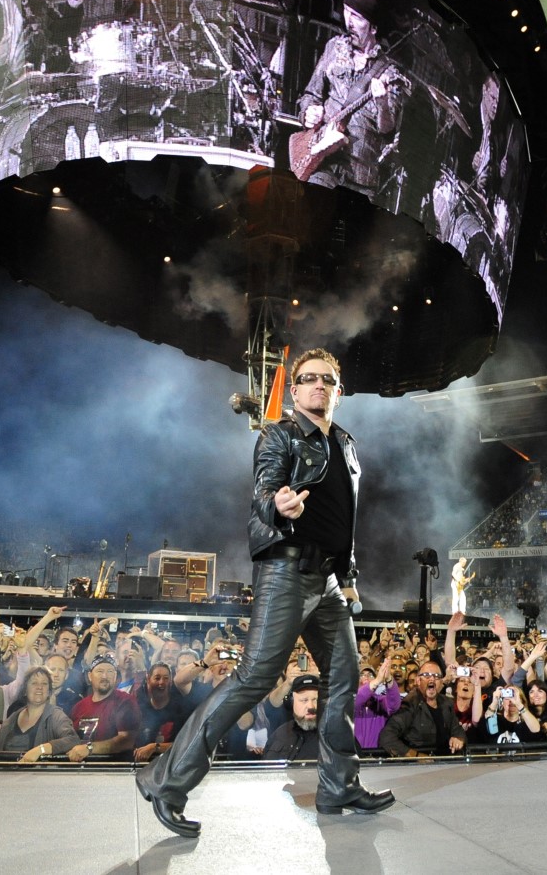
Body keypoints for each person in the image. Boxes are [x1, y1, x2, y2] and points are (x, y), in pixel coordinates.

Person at [137, 348, 392, 838]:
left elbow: (347, 518)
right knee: (255, 678)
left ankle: (339, 784)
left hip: (330, 579)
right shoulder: (280, 435)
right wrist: (278, 505)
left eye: (328, 380)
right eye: (309, 379)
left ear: (338, 391)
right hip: (287, 570)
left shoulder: (347, 443)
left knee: (344, 675)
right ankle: (166, 780)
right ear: (295, 390)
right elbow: (263, 489)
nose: (319, 385)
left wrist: (350, 569)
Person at [292, 0, 405, 200]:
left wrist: (382, 104)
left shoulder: (390, 73)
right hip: (323, 162)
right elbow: (310, 95)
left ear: (373, 28)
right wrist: (308, 112)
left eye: (357, 17)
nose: (349, 23)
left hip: (360, 178)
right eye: (346, 12)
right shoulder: (334, 48)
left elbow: (387, 129)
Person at [378, 660, 468, 757]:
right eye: (427, 675)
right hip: (417, 767)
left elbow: (458, 731)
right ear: (418, 680)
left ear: (441, 682)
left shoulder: (447, 702)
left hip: (444, 763)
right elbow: (386, 737)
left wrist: (459, 739)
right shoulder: (410, 703)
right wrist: (415, 756)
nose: (432, 679)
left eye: (436, 676)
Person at [0, 667, 83, 762]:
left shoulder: (56, 716)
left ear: (49, 691)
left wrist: (41, 750)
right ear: (25, 690)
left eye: (44, 684)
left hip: (41, 775)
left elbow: (73, 740)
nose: (39, 687)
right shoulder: (11, 720)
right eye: (34, 683)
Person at [264, 672, 322, 760]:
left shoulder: (334, 736)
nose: (311, 706)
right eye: (304, 700)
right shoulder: (279, 734)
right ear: (291, 702)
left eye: (315, 700)